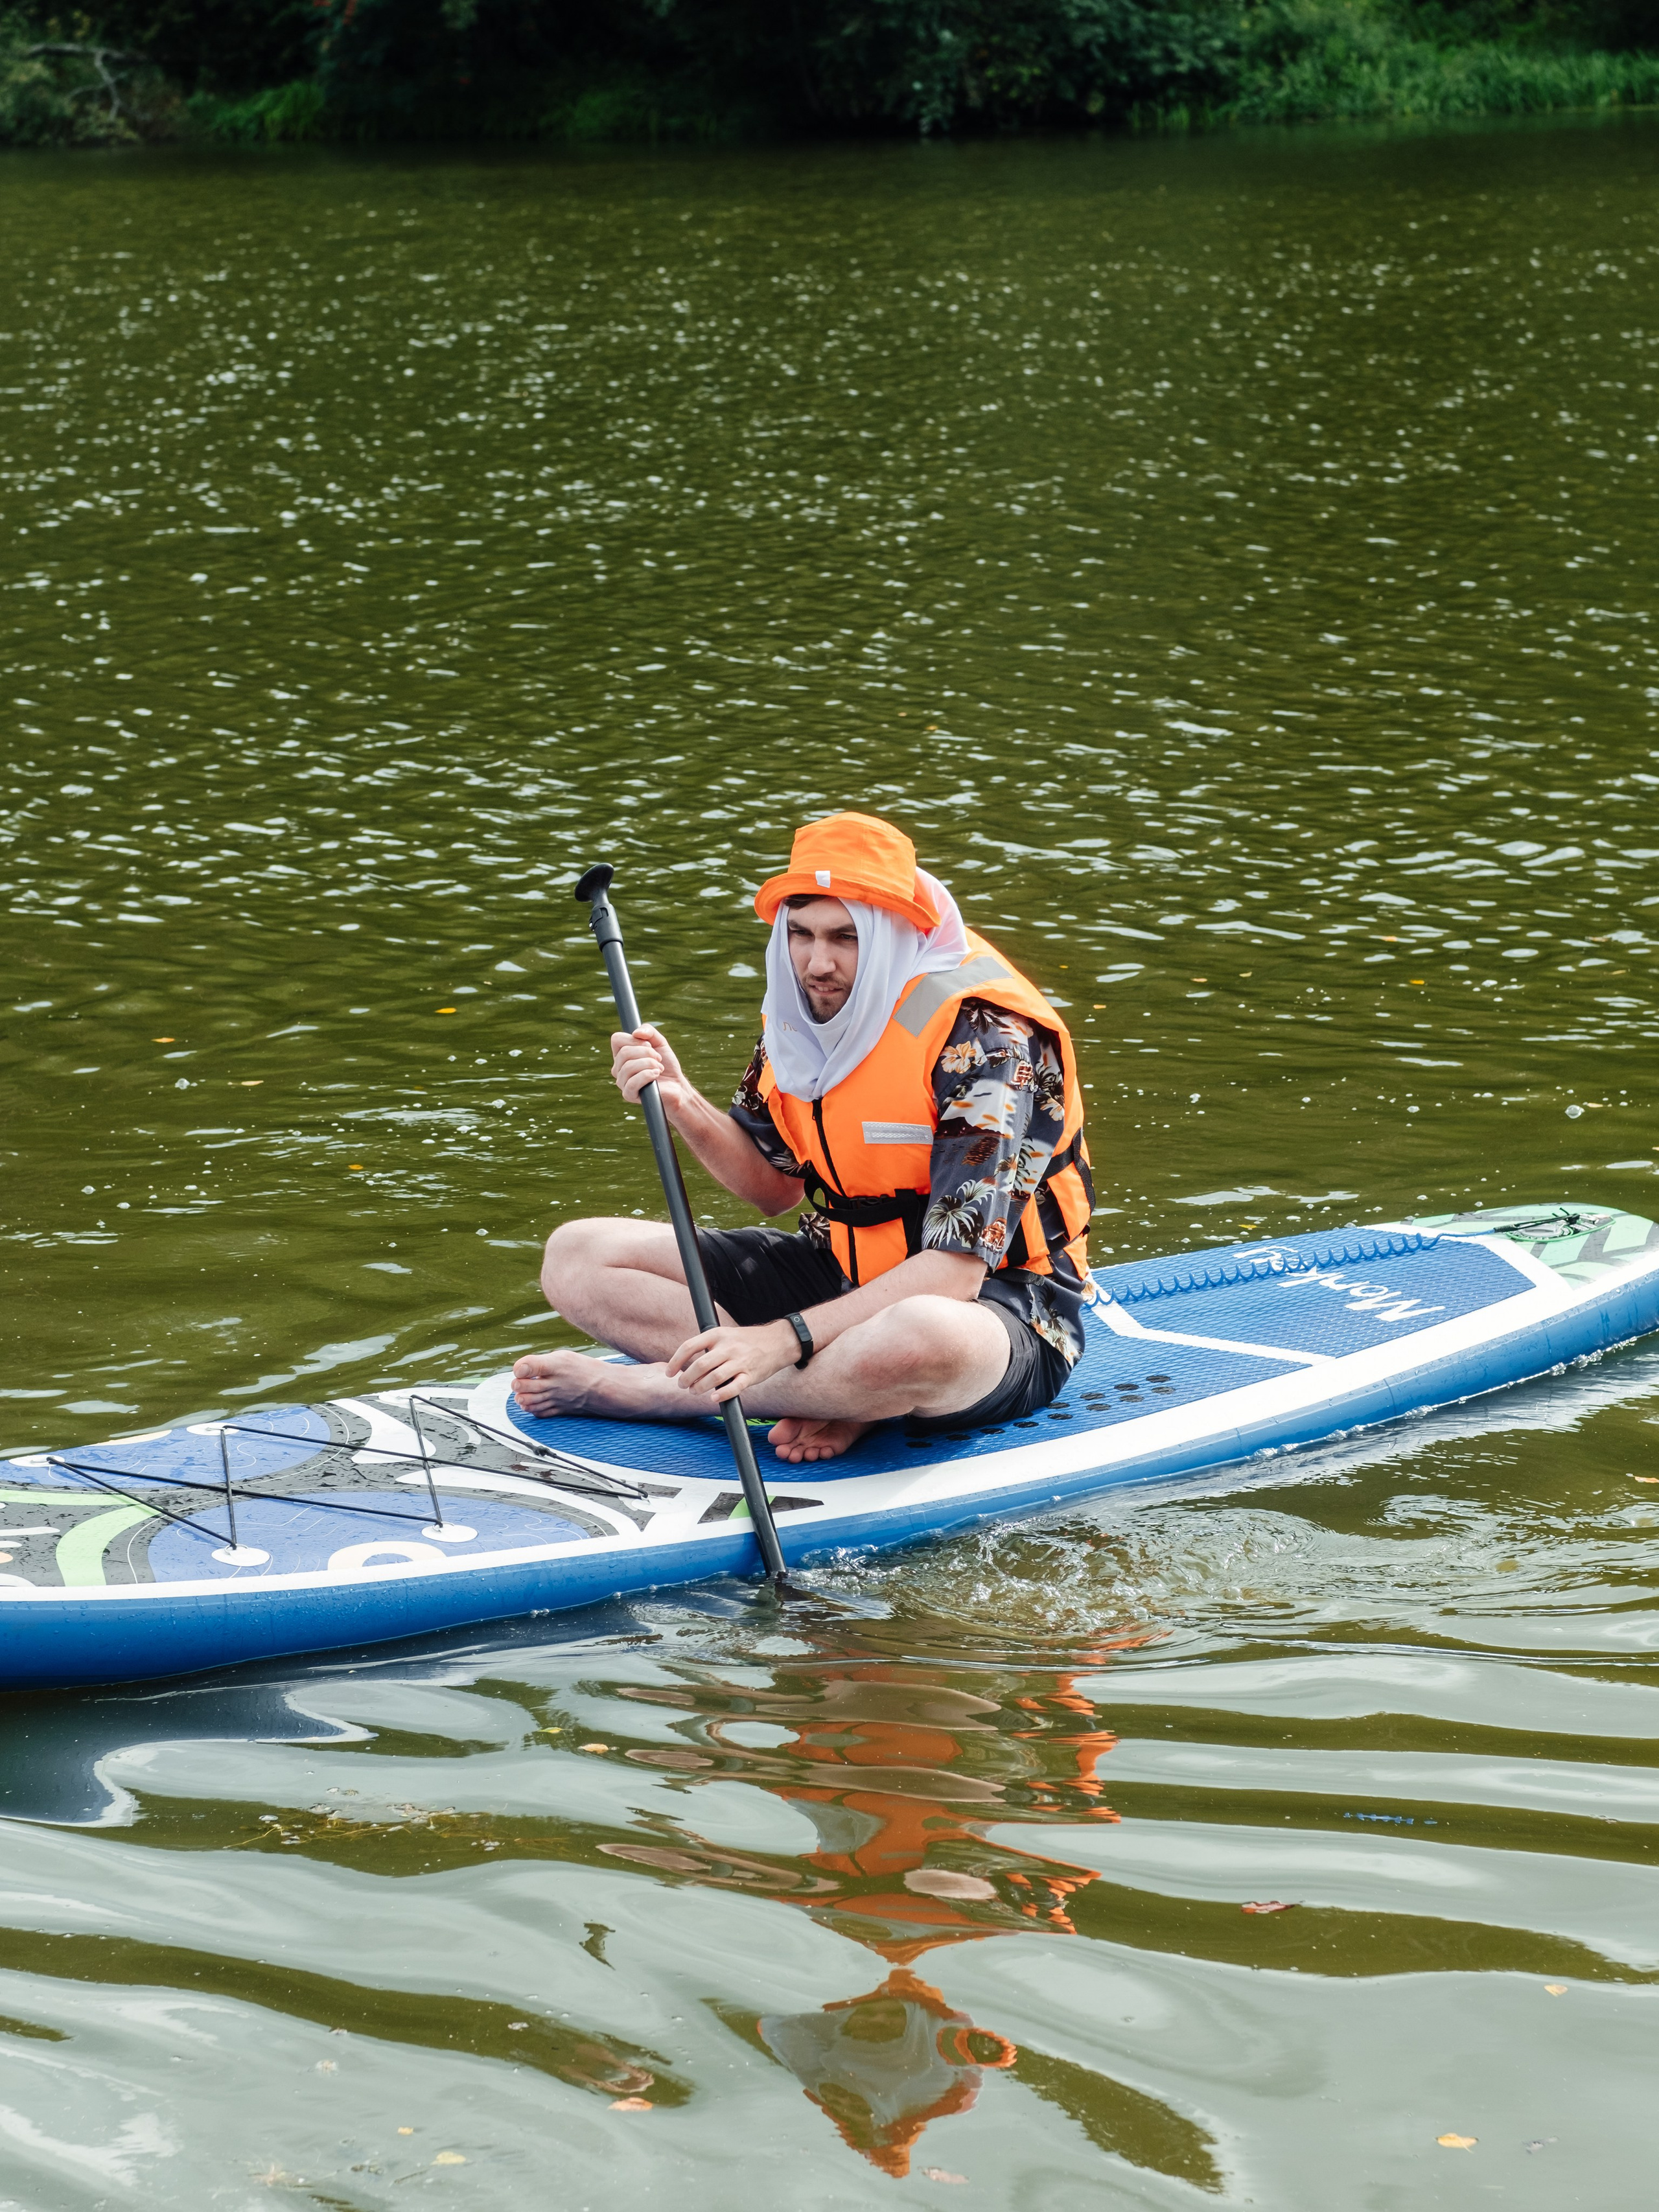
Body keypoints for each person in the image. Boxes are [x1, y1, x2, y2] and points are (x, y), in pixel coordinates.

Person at [511, 811, 1094, 1463]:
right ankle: (839, 1396)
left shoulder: (989, 1037)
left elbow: (955, 1272)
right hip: (836, 1272)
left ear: (894, 932)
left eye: (845, 936)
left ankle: (670, 1390)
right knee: (577, 1256)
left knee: (923, 1334)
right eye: (801, 933)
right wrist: (679, 1099)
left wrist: (777, 1342)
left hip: (995, 1306)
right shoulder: (806, 1010)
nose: (818, 962)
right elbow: (771, 1189)